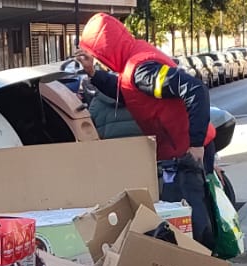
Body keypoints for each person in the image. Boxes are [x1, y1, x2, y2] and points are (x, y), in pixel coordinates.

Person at [73, 12, 217, 248]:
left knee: (193, 222)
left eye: (99, 56)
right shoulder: (135, 61)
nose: (101, 61)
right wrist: (94, 74)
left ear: (107, 50)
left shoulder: (142, 69)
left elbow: (195, 90)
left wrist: (196, 144)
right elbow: (127, 90)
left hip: (186, 152)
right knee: (188, 218)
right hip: (181, 149)